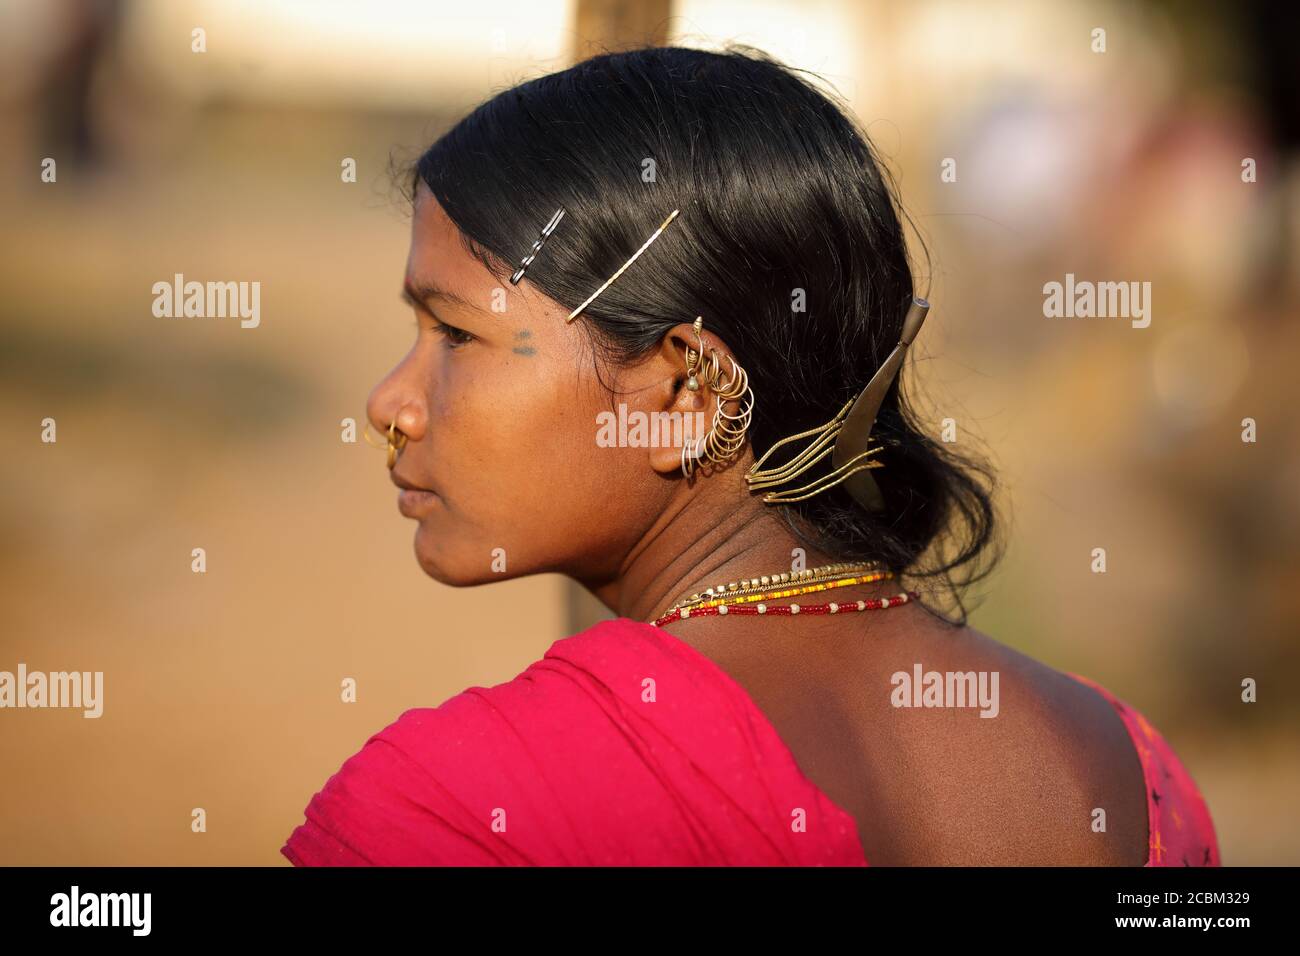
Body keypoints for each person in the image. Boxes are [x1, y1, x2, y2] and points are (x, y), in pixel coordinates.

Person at [281, 45, 1219, 866]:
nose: (390, 403)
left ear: (689, 395)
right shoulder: (1128, 774)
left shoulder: (468, 808)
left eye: (454, 335)